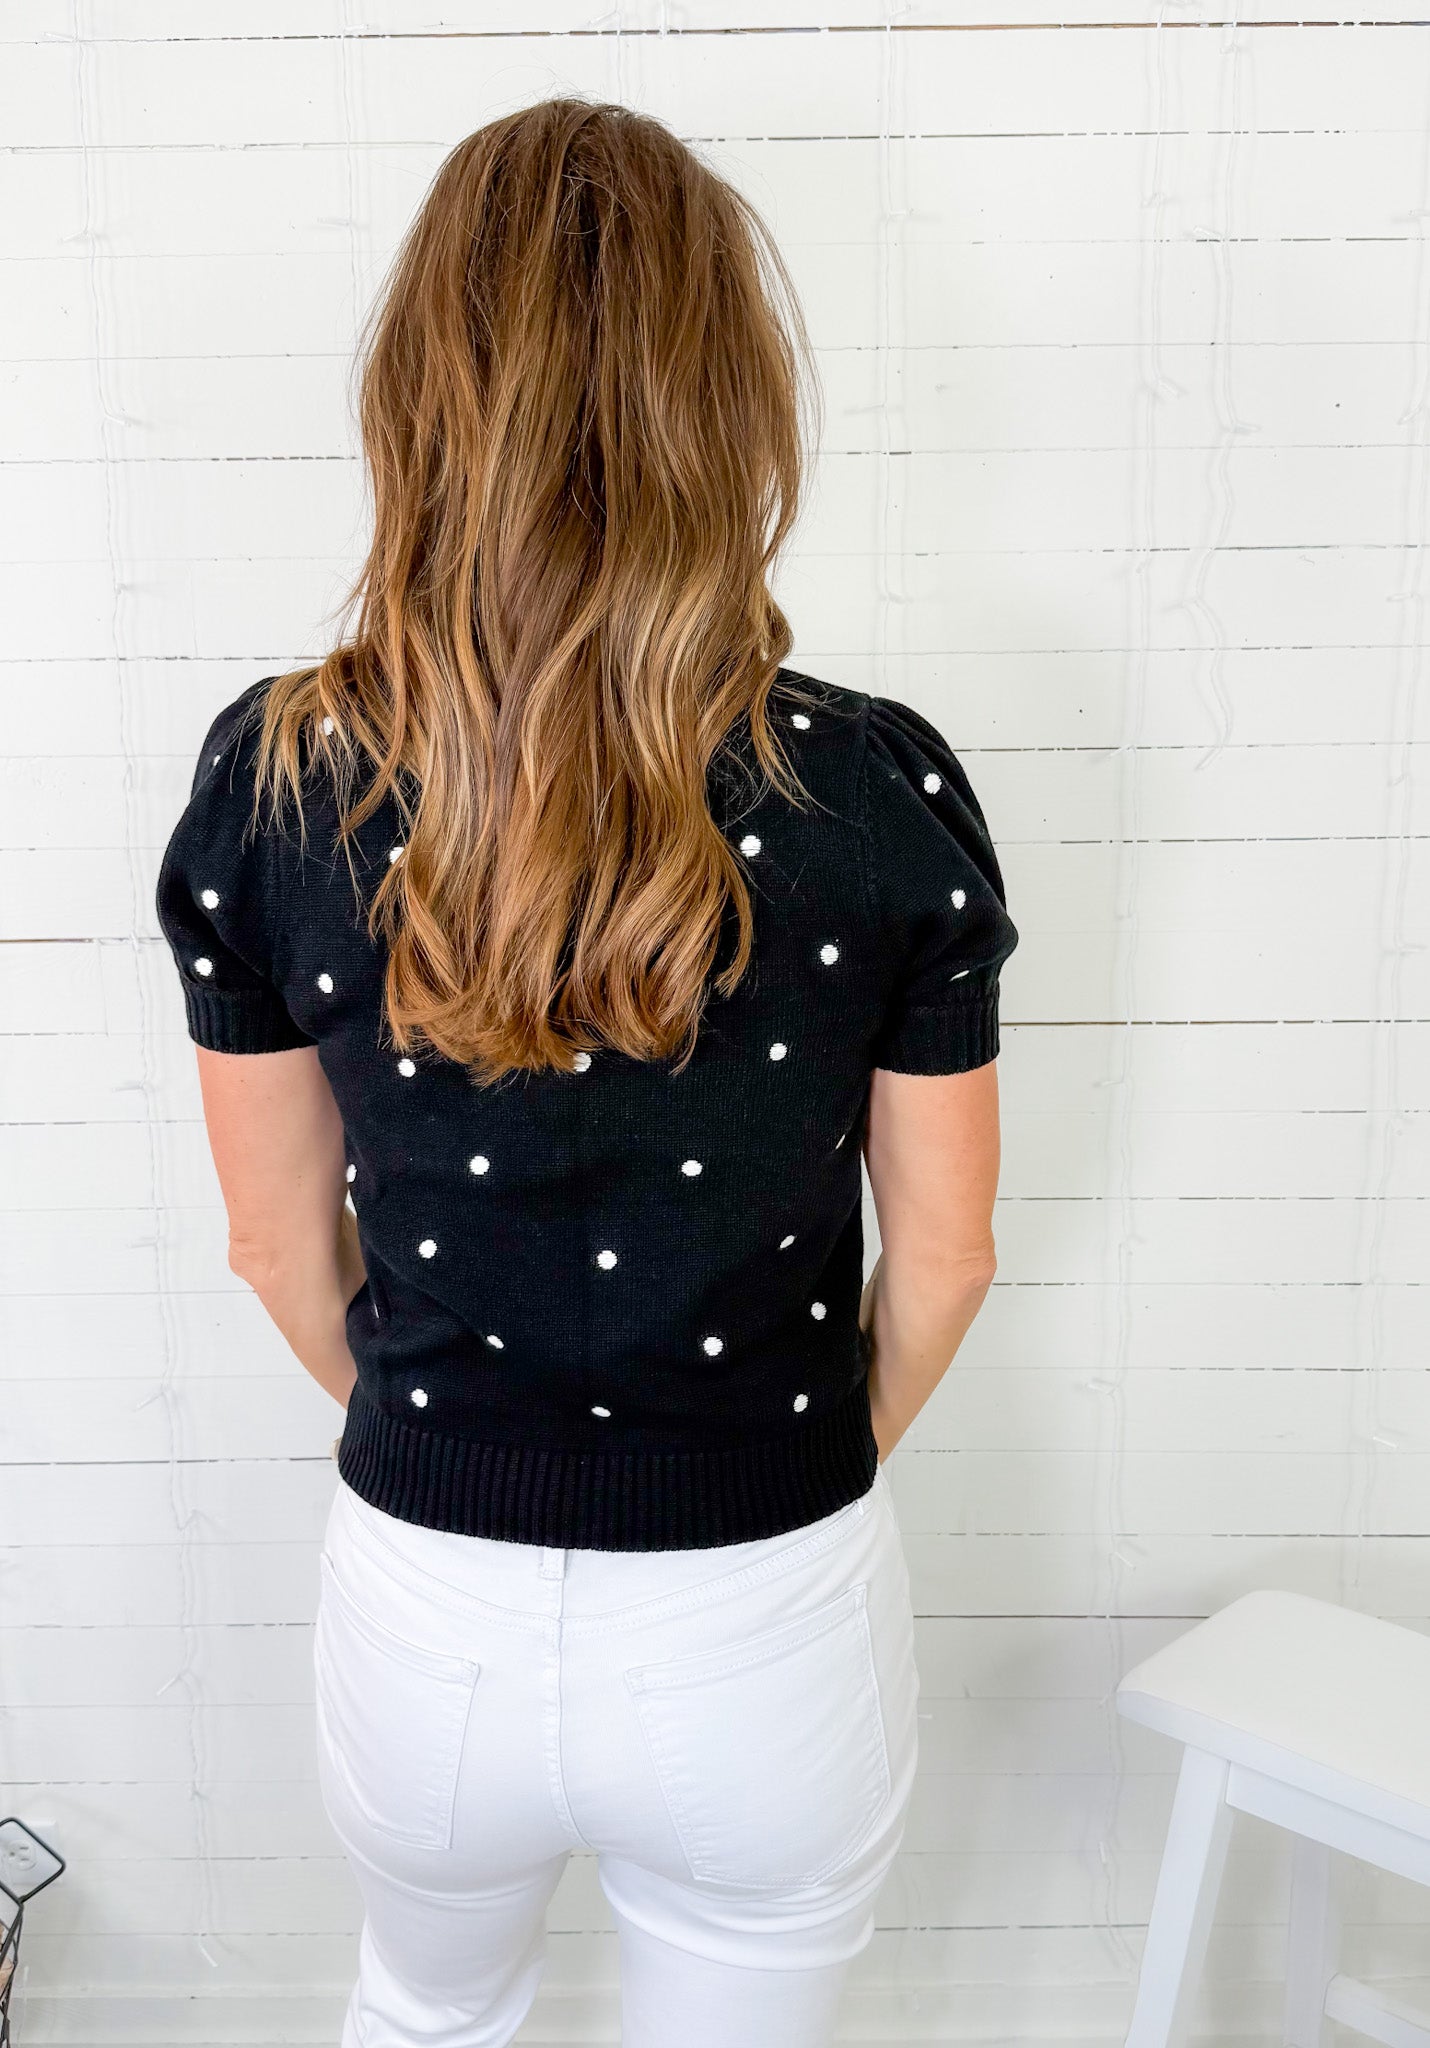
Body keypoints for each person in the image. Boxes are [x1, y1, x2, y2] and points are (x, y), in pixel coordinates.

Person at [154, 96, 1019, 2048]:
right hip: (764, 1616)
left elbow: (278, 1253)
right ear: (732, 408)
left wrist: (464, 1429)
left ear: (419, 395)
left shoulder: (283, 778)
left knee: (423, 2014)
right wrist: (783, 1459)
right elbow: (948, 1260)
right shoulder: (872, 786)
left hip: (425, 1612)